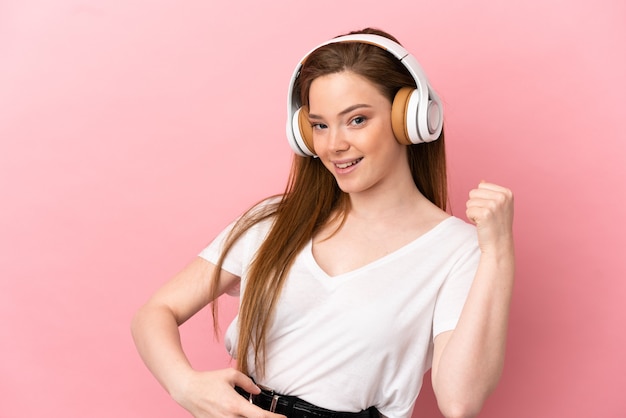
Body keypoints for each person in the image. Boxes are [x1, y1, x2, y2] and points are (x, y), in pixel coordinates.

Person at [131, 27, 515, 418]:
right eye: (319, 125)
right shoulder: (274, 221)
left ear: (409, 119)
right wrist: (185, 386)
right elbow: (154, 312)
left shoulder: (457, 249)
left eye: (357, 120)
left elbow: (459, 403)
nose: (333, 145)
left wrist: (498, 254)